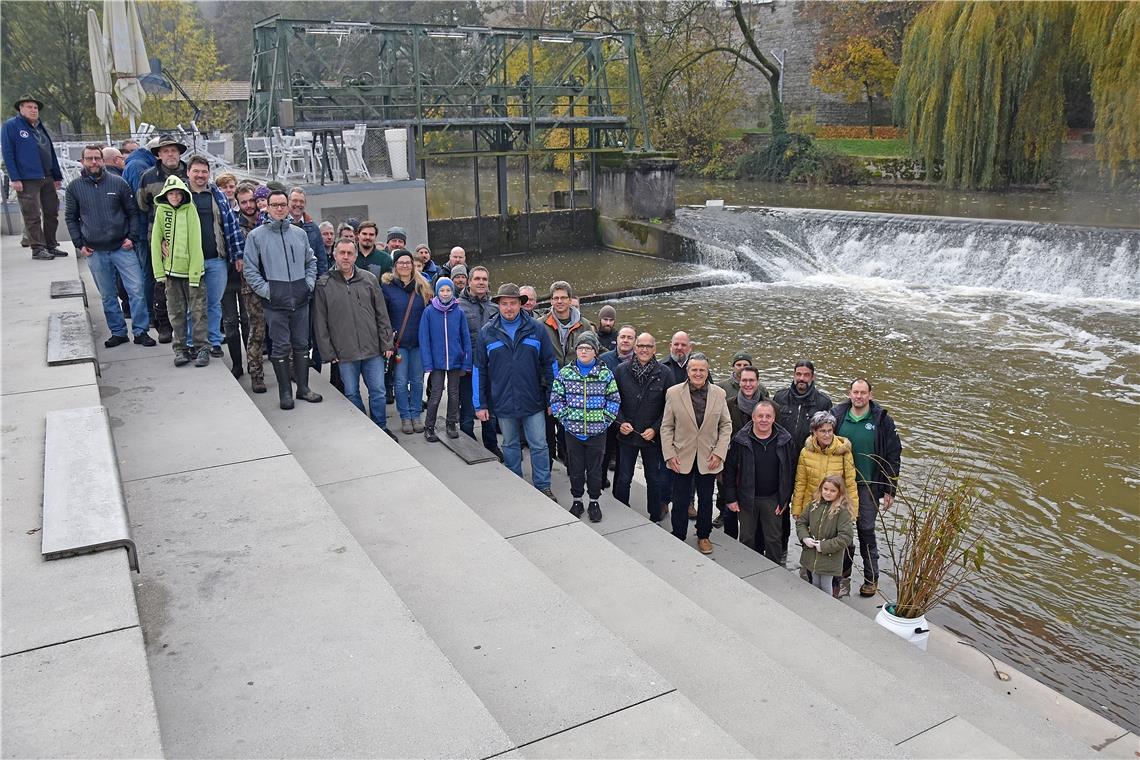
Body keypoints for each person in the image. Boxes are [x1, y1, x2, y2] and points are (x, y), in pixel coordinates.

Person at [474, 283, 557, 501]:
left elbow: (550, 364)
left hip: (533, 400)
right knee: (509, 444)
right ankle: (516, 483)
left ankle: (543, 485)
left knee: (539, 444)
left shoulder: (536, 329)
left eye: (513, 303)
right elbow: (479, 370)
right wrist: (480, 404)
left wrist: (553, 399)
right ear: (498, 306)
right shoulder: (487, 333)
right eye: (504, 304)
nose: (509, 308)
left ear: (520, 305)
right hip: (503, 401)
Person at [64, 145, 153, 347]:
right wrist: (79, 243)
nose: (94, 162)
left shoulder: (119, 183)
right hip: (95, 250)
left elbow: (132, 212)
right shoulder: (74, 188)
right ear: (83, 161)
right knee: (108, 295)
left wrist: (131, 236)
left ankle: (141, 331)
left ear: (103, 161)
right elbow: (70, 217)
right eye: (89, 159)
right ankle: (118, 332)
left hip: (122, 247)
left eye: (97, 158)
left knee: (137, 290)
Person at [242, 189, 321, 410]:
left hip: (300, 297)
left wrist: (308, 285)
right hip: (275, 302)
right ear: (266, 207)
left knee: (302, 344)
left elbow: (311, 261)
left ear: (287, 206)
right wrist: (267, 291)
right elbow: (249, 269)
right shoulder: (256, 236)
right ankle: (285, 392)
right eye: (275, 204)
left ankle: (303, 389)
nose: (279, 208)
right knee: (280, 346)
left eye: (282, 204)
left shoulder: (299, 233)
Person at [314, 238, 394, 434]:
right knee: (351, 392)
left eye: (350, 253)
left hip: (373, 348)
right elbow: (320, 322)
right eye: (342, 253)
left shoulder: (368, 279)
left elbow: (381, 314)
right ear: (334, 255)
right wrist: (328, 351)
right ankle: (366, 430)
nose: (346, 257)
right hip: (344, 352)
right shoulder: (323, 284)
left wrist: (387, 343)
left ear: (355, 256)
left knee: (378, 391)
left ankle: (380, 428)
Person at [832, 378, 902, 598]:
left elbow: (893, 454)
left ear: (870, 395)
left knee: (866, 531)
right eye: (855, 392)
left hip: (868, 486)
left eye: (863, 392)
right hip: (841, 485)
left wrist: (890, 488)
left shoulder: (882, 420)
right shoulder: (837, 415)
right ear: (849, 393)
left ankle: (871, 579)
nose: (859, 396)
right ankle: (842, 577)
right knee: (842, 532)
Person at [660, 353, 732, 555]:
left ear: (708, 371)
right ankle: (678, 534)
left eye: (702, 369)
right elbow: (666, 426)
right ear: (687, 371)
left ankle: (703, 535)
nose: (698, 373)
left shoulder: (719, 394)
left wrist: (719, 453)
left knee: (706, 498)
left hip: (709, 457)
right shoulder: (673, 393)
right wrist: (669, 454)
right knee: (680, 498)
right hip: (681, 455)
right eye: (694, 369)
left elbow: (726, 425)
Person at [550, 332, 620, 521]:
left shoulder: (605, 374)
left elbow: (613, 400)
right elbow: (556, 400)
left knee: (595, 469)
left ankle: (594, 501)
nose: (583, 351)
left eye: (587, 348)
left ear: (595, 352)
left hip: (597, 433)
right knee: (576, 467)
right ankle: (577, 499)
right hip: (573, 432)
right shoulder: (565, 373)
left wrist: (603, 421)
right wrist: (566, 420)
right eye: (580, 348)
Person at [185, 155, 245, 360]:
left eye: (204, 172)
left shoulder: (218, 195)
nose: (200, 175)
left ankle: (214, 341)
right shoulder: (181, 194)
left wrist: (237, 254)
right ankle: (192, 342)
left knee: (214, 303)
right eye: (196, 171)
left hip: (216, 259)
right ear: (188, 172)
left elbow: (232, 226)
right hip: (190, 260)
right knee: (192, 303)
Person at [772, 360, 833, 561]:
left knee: (810, 509)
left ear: (812, 377)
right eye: (798, 374)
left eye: (806, 375)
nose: (802, 379)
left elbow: (827, 436)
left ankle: (810, 554)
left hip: (809, 464)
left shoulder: (823, 402)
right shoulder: (780, 397)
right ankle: (781, 548)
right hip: (783, 463)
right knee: (781, 505)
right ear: (793, 374)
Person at [721, 400, 796, 563]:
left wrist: (784, 499)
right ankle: (748, 568)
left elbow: (789, 472)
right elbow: (730, 471)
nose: (764, 419)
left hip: (773, 499)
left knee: (773, 539)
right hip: (747, 498)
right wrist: (731, 498)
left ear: (774, 418)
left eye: (768, 416)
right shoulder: (740, 440)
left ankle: (774, 571)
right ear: (753, 417)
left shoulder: (785, 440)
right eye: (760, 416)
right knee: (747, 537)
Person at [136, 135, 189, 344]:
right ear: (158, 154)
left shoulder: (190, 173)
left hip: (187, 236)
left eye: (174, 150)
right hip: (160, 237)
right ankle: (164, 326)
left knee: (188, 283)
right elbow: (142, 205)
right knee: (162, 284)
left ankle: (187, 328)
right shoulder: (148, 176)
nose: (170, 154)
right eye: (165, 150)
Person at [150, 175, 206, 367]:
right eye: (171, 193)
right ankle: (180, 349)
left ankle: (201, 348)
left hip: (191, 272)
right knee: (176, 313)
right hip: (171, 274)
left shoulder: (190, 209)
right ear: (166, 194)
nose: (175, 197)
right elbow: (156, 243)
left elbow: (196, 241)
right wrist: (159, 272)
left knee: (198, 312)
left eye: (178, 193)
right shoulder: (161, 212)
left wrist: (195, 272)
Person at [612, 332, 668, 522]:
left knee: (654, 478)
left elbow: (669, 408)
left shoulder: (665, 373)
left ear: (655, 349)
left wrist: (656, 428)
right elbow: (613, 401)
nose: (644, 350)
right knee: (623, 476)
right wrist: (620, 422)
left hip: (651, 438)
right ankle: (621, 510)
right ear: (635, 348)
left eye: (648, 346)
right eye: (641, 346)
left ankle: (655, 515)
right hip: (627, 435)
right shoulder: (620, 370)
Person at [2, 95, 64, 260]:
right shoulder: (11, 126)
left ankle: (51, 245)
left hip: (48, 175)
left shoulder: (40, 127)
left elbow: (50, 151)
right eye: (29, 107)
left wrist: (57, 175)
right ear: (21, 109)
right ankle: (37, 248)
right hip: (27, 178)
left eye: (36, 108)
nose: (34, 110)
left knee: (52, 212)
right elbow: (8, 153)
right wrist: (15, 177)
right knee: (32, 215)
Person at [542, 280, 594, 464]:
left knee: (570, 432)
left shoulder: (584, 325)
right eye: (556, 298)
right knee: (548, 431)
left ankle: (571, 467)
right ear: (551, 301)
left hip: (575, 388)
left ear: (570, 300)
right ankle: (549, 465)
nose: (560, 301)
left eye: (564, 297)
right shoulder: (541, 324)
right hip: (547, 385)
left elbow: (594, 353)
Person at [381, 248, 431, 433]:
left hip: (418, 344)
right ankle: (405, 416)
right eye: (400, 262)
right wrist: (386, 342)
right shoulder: (387, 287)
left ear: (412, 265)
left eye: (407, 262)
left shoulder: (422, 287)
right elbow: (383, 317)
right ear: (395, 266)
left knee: (417, 381)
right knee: (400, 382)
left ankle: (416, 414)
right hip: (399, 345)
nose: (404, 265)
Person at [718, 365, 770, 538]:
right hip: (733, 466)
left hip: (761, 468)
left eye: (752, 380)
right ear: (739, 381)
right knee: (729, 508)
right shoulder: (727, 405)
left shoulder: (770, 407)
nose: (748, 384)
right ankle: (731, 543)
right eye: (744, 380)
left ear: (758, 382)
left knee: (758, 513)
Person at [419, 276, 471, 442]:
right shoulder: (429, 312)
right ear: (437, 291)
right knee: (435, 395)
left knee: (454, 395)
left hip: (455, 360)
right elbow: (424, 339)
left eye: (448, 290)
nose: (446, 293)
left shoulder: (459, 312)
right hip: (437, 362)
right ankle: (429, 426)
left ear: (453, 291)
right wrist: (428, 363)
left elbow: (465, 338)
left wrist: (466, 362)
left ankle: (451, 423)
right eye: (442, 290)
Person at [457, 265, 500, 454]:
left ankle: (491, 445)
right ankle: (470, 445)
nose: (481, 282)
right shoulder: (458, 306)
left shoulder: (495, 308)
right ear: (469, 281)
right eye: (477, 279)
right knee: (467, 410)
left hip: (491, 368)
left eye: (484, 279)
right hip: (468, 367)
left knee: (491, 410)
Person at [791, 411, 858, 522]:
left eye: (829, 431)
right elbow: (801, 483)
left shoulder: (844, 452)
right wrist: (797, 510)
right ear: (814, 432)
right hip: (811, 506)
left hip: (835, 508)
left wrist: (853, 512)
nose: (827, 435)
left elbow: (851, 484)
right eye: (822, 431)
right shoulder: (805, 452)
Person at [796, 474, 854, 597]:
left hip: (830, 558)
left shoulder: (842, 511)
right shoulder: (813, 504)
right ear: (821, 488)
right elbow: (801, 522)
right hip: (812, 555)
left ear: (839, 492)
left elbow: (846, 537)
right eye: (825, 489)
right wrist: (805, 538)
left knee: (826, 585)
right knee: (815, 582)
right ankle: (816, 605)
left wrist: (824, 546)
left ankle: (826, 607)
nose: (828, 493)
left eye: (833, 491)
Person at [232, 183, 267, 392]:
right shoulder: (237, 226)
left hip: (274, 282)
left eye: (251, 200)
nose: (248, 205)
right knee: (257, 331)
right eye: (243, 202)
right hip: (251, 286)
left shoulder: (269, 219)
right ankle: (256, 374)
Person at [599, 324, 636, 477]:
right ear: (617, 339)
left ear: (635, 341)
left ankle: (620, 492)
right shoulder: (604, 359)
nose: (625, 340)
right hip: (605, 412)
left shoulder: (640, 360)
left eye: (630, 338)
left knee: (623, 457)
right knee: (603, 452)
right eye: (623, 337)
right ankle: (599, 483)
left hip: (628, 415)